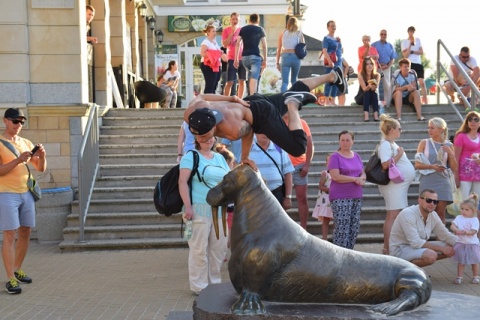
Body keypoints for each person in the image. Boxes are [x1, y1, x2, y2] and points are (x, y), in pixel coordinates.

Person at [184, 69, 346, 168]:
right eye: (199, 136)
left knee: (298, 148)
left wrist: (245, 157)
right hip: (250, 100)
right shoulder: (191, 111)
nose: (204, 140)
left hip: (262, 115)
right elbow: (203, 95)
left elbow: (250, 130)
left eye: (206, 136)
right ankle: (332, 76)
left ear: (213, 127)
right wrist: (233, 98)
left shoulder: (231, 130)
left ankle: (293, 105)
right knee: (293, 90)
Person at [0, 108, 47, 294]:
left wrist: (42, 157)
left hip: (26, 193)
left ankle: (17, 269)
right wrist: (19, 160)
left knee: (26, 231)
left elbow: (40, 168)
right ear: (5, 121)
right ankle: (10, 278)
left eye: (21, 122)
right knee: (10, 235)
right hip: (6, 193)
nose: (18, 125)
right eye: (15, 121)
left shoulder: (25, 142)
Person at [178, 136, 230, 296]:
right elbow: (182, 182)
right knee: (199, 249)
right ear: (197, 139)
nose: (209, 140)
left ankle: (213, 283)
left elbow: (228, 181)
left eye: (211, 137)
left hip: (220, 211)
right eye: (204, 137)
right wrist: (187, 206)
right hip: (198, 209)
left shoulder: (221, 158)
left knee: (219, 250)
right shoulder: (191, 156)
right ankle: (199, 286)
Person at [377, 114, 416, 255]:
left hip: (398, 186)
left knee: (396, 214)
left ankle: (393, 245)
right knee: (392, 215)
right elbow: (385, 164)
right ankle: (387, 248)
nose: (401, 130)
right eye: (399, 128)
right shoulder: (386, 144)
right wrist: (400, 154)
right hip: (393, 187)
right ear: (392, 129)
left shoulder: (392, 144)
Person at [389, 189, 457, 267]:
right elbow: (416, 242)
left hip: (416, 248)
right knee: (431, 255)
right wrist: (441, 249)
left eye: (435, 202)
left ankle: (411, 269)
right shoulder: (408, 214)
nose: (432, 204)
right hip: (400, 250)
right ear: (419, 200)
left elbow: (445, 235)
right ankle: (403, 269)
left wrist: (464, 243)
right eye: (428, 200)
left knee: (453, 247)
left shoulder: (433, 215)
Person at [414, 117, 457, 223]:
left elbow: (454, 168)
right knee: (425, 213)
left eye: (432, 128)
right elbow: (417, 165)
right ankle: (424, 238)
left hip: (443, 181)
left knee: (441, 213)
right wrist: (432, 166)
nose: (429, 130)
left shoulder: (449, 145)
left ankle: (441, 238)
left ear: (441, 129)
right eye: (428, 128)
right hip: (427, 180)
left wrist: (451, 154)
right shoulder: (424, 143)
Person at [328, 130, 365, 249]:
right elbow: (335, 176)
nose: (345, 143)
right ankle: (339, 256)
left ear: (353, 141)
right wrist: (354, 179)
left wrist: (363, 178)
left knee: (354, 227)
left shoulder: (357, 156)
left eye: (347, 140)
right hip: (340, 196)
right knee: (342, 228)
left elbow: (362, 172)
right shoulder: (335, 157)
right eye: (342, 140)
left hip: (356, 196)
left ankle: (349, 253)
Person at [283, 114, 313, 229]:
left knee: (302, 197)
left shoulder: (301, 123)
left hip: (299, 165)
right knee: (282, 198)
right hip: (283, 165)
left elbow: (310, 144)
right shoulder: (277, 122)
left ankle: (304, 228)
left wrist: (307, 164)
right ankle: (283, 228)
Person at [249, 134, 294, 208]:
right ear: (255, 133)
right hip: (255, 195)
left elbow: (288, 173)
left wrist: (288, 197)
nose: (264, 134)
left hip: (277, 194)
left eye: (266, 131)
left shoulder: (280, 149)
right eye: (261, 131)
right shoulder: (248, 149)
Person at [450, 194, 480, 284]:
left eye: (467, 209)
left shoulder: (475, 220)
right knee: (461, 261)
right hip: (461, 243)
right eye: (462, 209)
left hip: (472, 244)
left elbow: (474, 231)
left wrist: (465, 232)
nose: (464, 211)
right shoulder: (459, 218)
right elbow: (452, 225)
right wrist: (456, 229)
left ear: (473, 210)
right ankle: (459, 277)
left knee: (474, 261)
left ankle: (476, 276)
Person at [234, 13, 267, 95]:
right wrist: (265, 59)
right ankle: (253, 98)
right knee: (254, 78)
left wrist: (236, 59)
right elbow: (264, 45)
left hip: (244, 58)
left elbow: (237, 43)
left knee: (250, 76)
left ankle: (249, 96)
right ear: (258, 21)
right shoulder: (260, 29)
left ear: (249, 20)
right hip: (255, 57)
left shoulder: (243, 29)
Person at [454, 111, 480, 200]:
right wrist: (456, 176)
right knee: (464, 201)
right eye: (470, 119)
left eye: (476, 119)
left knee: (477, 202)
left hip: (478, 174)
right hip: (464, 174)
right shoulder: (461, 136)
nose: (473, 121)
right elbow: (455, 157)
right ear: (467, 122)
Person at [276, 16, 304, 93]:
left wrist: (277, 62)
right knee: (294, 80)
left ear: (288, 24)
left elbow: (279, 49)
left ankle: (282, 99)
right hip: (295, 57)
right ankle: (295, 98)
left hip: (285, 56)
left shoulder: (282, 33)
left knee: (285, 82)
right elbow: (303, 47)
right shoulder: (299, 33)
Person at [401, 26, 428, 104]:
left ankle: (425, 100)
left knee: (421, 82)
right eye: (410, 31)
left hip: (418, 63)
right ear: (408, 32)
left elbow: (421, 52)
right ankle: (415, 100)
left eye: (413, 31)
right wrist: (410, 45)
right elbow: (405, 55)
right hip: (409, 64)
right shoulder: (404, 42)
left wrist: (412, 52)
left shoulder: (418, 40)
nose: (411, 33)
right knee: (413, 83)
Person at [222, 12, 246, 98]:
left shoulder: (242, 30)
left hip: (242, 58)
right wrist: (231, 33)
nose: (235, 21)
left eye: (236, 19)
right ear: (230, 20)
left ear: (239, 20)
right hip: (231, 58)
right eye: (233, 19)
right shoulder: (226, 30)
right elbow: (224, 45)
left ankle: (240, 100)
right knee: (230, 82)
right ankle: (225, 100)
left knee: (242, 81)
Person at [322, 20, 345, 106]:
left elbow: (341, 51)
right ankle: (327, 100)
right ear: (328, 27)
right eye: (331, 26)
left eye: (334, 26)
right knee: (329, 81)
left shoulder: (337, 39)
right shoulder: (326, 38)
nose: (333, 27)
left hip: (338, 62)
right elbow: (324, 51)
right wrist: (330, 61)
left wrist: (340, 42)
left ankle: (333, 100)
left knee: (337, 81)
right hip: (331, 62)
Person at [372, 29, 397, 105]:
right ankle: (376, 103)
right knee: (376, 85)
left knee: (387, 86)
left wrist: (388, 65)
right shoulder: (374, 45)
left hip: (386, 68)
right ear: (380, 35)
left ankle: (388, 104)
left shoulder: (390, 46)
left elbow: (393, 58)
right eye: (382, 34)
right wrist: (377, 64)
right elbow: (371, 56)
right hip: (376, 68)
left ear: (387, 35)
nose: (383, 35)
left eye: (385, 34)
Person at [200, 24, 226, 94]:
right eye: (213, 31)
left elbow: (219, 53)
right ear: (208, 32)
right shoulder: (206, 42)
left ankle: (212, 100)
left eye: (215, 31)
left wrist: (220, 53)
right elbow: (202, 53)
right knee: (210, 84)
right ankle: (207, 101)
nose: (215, 33)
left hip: (216, 65)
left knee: (215, 83)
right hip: (207, 65)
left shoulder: (215, 42)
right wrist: (213, 54)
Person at [312, 153, 333, 241]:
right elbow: (320, 186)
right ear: (326, 163)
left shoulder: (338, 173)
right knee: (326, 219)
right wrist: (329, 190)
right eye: (329, 161)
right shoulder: (325, 174)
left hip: (335, 198)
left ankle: (336, 237)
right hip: (327, 199)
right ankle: (325, 239)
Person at [354, 56, 381, 122]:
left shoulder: (377, 75)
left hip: (372, 97)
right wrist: (369, 85)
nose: (369, 66)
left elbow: (375, 88)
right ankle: (366, 115)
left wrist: (373, 85)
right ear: (364, 66)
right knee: (367, 92)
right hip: (361, 97)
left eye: (371, 64)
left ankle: (376, 115)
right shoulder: (361, 74)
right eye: (367, 64)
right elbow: (364, 89)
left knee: (373, 93)